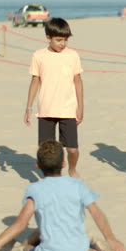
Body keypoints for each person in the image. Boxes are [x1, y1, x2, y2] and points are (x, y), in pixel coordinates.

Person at [0, 140, 126, 251]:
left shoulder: (35, 190)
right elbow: (97, 214)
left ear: (38, 166)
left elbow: (20, 225)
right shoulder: (77, 185)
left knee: (27, 247)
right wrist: (110, 239)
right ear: (63, 164)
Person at [24, 18, 84, 178]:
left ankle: (72, 169)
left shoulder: (73, 55)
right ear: (48, 37)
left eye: (65, 39)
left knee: (72, 148)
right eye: (58, 40)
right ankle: (50, 176)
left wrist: (81, 107)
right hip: (46, 109)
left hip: (68, 109)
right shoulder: (38, 55)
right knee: (46, 150)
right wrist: (28, 107)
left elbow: (77, 81)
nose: (62, 43)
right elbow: (35, 81)